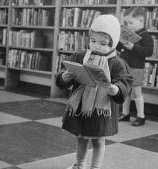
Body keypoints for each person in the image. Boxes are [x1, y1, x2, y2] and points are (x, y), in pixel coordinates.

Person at [56, 14, 133, 169]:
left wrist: (117, 88)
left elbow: (125, 80)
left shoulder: (117, 62)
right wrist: (64, 77)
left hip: (102, 109)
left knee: (98, 139)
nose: (96, 46)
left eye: (103, 43)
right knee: (81, 137)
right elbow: (65, 70)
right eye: (93, 41)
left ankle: (95, 167)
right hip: (81, 107)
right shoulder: (80, 55)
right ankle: (80, 164)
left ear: (114, 43)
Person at [117, 7, 154, 126]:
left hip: (136, 68)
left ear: (141, 21)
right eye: (127, 23)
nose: (128, 25)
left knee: (137, 92)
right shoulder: (129, 33)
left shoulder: (146, 36)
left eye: (131, 22)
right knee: (125, 91)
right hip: (125, 66)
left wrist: (133, 47)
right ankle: (125, 113)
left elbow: (148, 51)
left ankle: (141, 116)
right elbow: (121, 48)